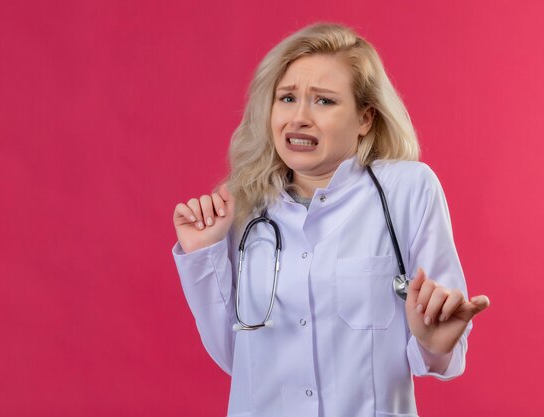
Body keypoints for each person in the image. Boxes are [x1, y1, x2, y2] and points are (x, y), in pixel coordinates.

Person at [171, 22, 490, 417]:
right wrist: (204, 253)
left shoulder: (408, 191)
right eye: (287, 98)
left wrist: (434, 343)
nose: (299, 118)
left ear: (365, 119)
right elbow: (237, 358)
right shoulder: (245, 209)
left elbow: (446, 349)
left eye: (323, 101)